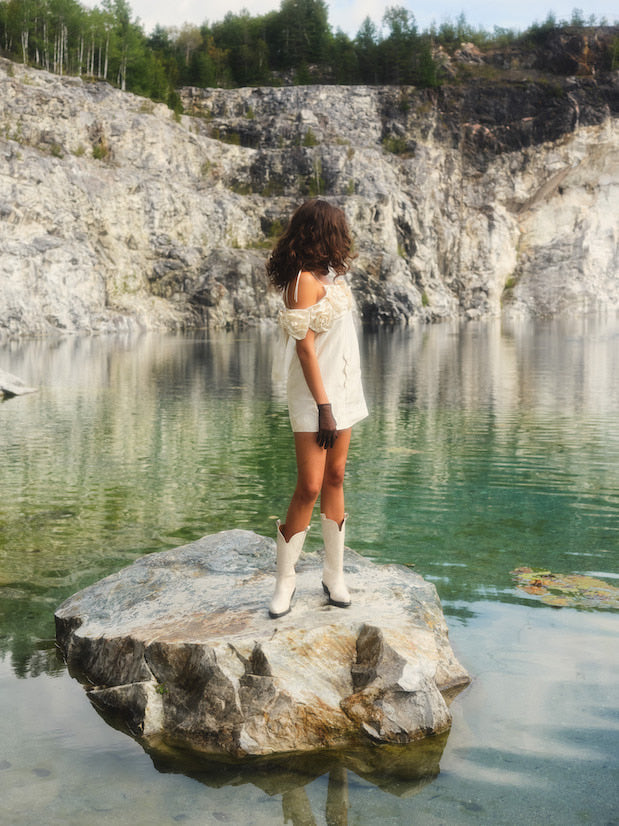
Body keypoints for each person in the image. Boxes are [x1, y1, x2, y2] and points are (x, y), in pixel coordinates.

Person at [266, 198, 368, 618]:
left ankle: (333, 575)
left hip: (345, 387)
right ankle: (285, 582)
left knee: (337, 476)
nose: (343, 236)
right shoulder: (302, 282)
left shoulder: (332, 276)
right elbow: (305, 352)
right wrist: (324, 407)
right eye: (337, 229)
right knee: (309, 484)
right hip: (316, 395)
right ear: (319, 232)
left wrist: (338, 401)